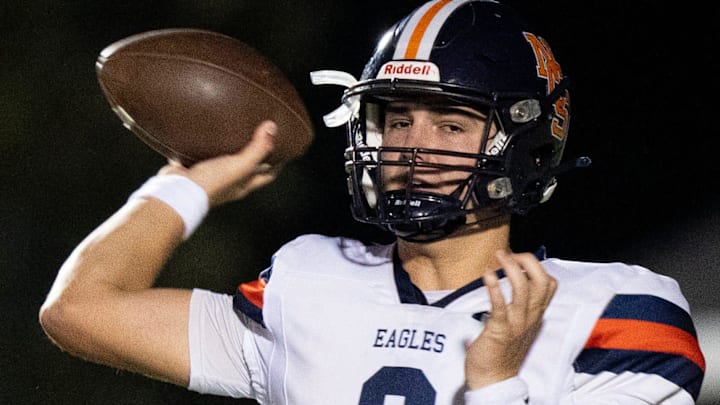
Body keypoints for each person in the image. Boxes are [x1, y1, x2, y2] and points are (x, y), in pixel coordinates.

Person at [40, 0, 705, 403]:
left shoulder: (618, 313)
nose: (410, 148)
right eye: (394, 121)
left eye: (449, 125)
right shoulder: (310, 277)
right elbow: (81, 309)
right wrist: (185, 181)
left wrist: (498, 379)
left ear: (523, 145)